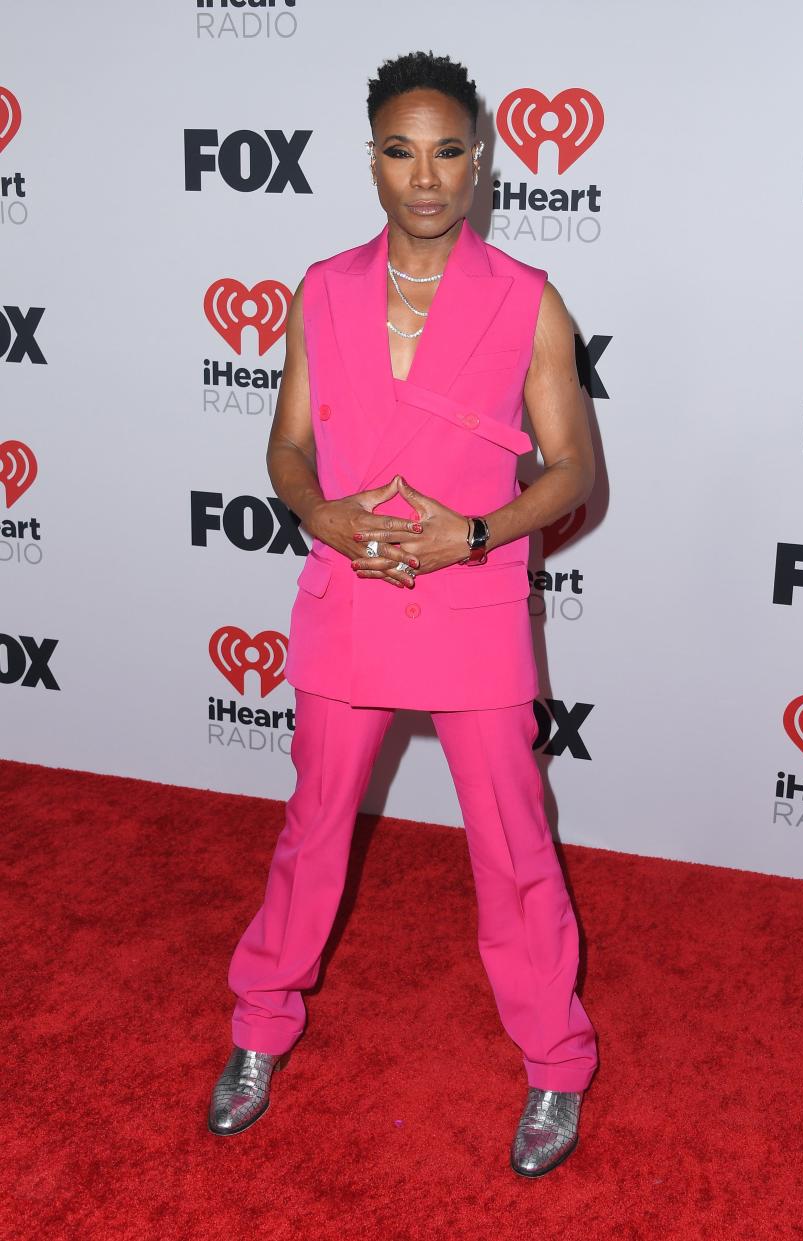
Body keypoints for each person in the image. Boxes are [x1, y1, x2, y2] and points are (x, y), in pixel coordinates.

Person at [207, 50, 598, 1178]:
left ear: (479, 163)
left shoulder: (528, 300)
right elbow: (286, 447)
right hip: (348, 604)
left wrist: (471, 531)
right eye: (400, 149)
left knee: (515, 847)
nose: (425, 176)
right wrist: (321, 513)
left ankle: (556, 1062)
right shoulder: (320, 288)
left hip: (471, 602)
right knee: (312, 829)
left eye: (447, 151)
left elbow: (572, 470)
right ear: (372, 158)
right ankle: (258, 1028)